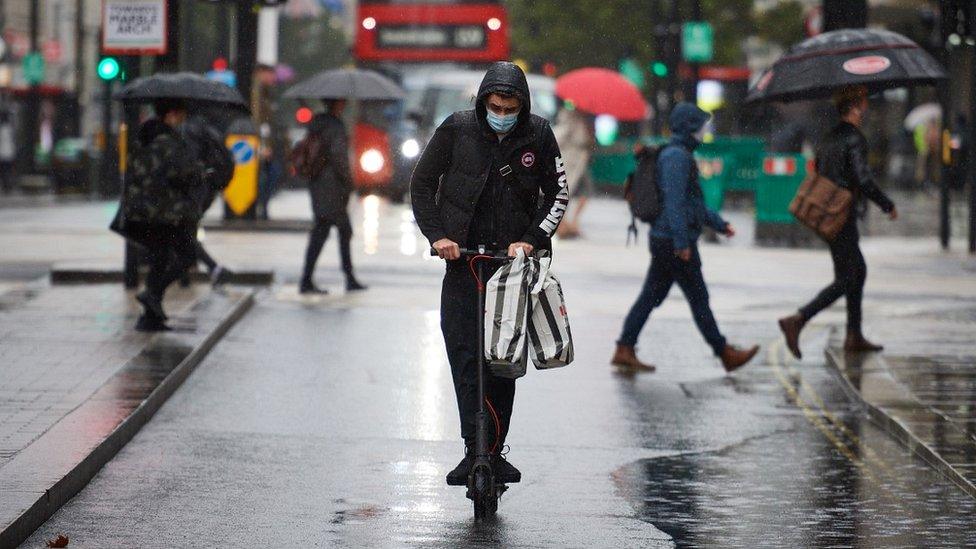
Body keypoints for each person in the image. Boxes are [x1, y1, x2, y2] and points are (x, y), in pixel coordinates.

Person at [411, 61, 568, 486]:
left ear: (523, 105)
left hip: (512, 269)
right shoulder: (456, 130)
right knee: (465, 360)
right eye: (496, 105)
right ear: (483, 102)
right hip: (462, 264)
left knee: (502, 361)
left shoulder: (538, 134)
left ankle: (495, 451)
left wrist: (532, 240)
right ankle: (471, 449)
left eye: (510, 105)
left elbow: (558, 194)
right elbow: (422, 183)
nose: (502, 112)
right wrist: (438, 236)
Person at [612, 102, 759, 373]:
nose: (705, 131)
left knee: (651, 296)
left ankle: (625, 347)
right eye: (702, 126)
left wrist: (718, 223)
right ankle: (724, 352)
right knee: (698, 299)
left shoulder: (679, 154)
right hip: (672, 240)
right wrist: (682, 243)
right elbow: (675, 203)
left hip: (666, 237)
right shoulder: (676, 157)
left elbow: (692, 203)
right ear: (690, 127)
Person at [779, 86, 898, 359]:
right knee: (849, 276)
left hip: (827, 215)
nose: (866, 107)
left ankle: (853, 335)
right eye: (864, 102)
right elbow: (862, 178)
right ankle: (797, 319)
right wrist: (886, 204)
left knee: (855, 272)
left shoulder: (829, 137)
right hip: (843, 215)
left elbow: (821, 171)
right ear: (856, 107)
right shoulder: (854, 139)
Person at [122, 99, 204, 331]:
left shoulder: (144, 137)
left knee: (159, 259)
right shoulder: (170, 142)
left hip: (142, 211)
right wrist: (199, 173)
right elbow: (183, 174)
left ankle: (150, 318)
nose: (182, 120)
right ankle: (153, 293)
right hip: (165, 213)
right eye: (180, 115)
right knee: (187, 256)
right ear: (171, 115)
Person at [299, 99, 366, 294]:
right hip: (332, 188)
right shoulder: (335, 126)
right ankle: (343, 278)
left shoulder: (317, 124)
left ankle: (342, 277)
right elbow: (338, 157)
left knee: (327, 231)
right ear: (337, 104)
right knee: (335, 231)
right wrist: (349, 180)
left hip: (318, 184)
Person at [184, 114, 236, 286]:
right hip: (209, 188)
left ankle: (213, 269)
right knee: (185, 231)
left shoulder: (188, 130)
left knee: (181, 233)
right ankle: (196, 272)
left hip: (195, 189)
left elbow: (189, 164)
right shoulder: (209, 130)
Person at [552, 108, 594, 239]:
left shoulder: (588, 119)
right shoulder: (570, 118)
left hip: (581, 162)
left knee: (585, 192)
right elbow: (558, 137)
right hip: (570, 161)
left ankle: (573, 223)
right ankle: (562, 226)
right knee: (565, 192)